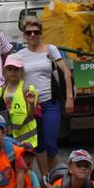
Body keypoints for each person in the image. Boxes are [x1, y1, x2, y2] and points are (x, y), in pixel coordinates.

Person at [15, 17, 74, 176]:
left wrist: (69, 98)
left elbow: (65, 71)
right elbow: (15, 78)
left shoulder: (50, 49)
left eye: (36, 32)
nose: (32, 35)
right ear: (24, 34)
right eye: (29, 32)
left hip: (50, 102)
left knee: (50, 145)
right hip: (31, 105)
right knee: (38, 145)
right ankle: (45, 179)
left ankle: (57, 176)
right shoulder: (20, 55)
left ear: (41, 33)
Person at [1, 56, 39, 151]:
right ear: (5, 71)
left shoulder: (28, 89)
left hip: (27, 137)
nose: (13, 72)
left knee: (26, 160)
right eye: (10, 69)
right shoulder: (3, 89)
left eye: (16, 69)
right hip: (11, 136)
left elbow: (31, 116)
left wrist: (31, 104)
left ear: (21, 71)